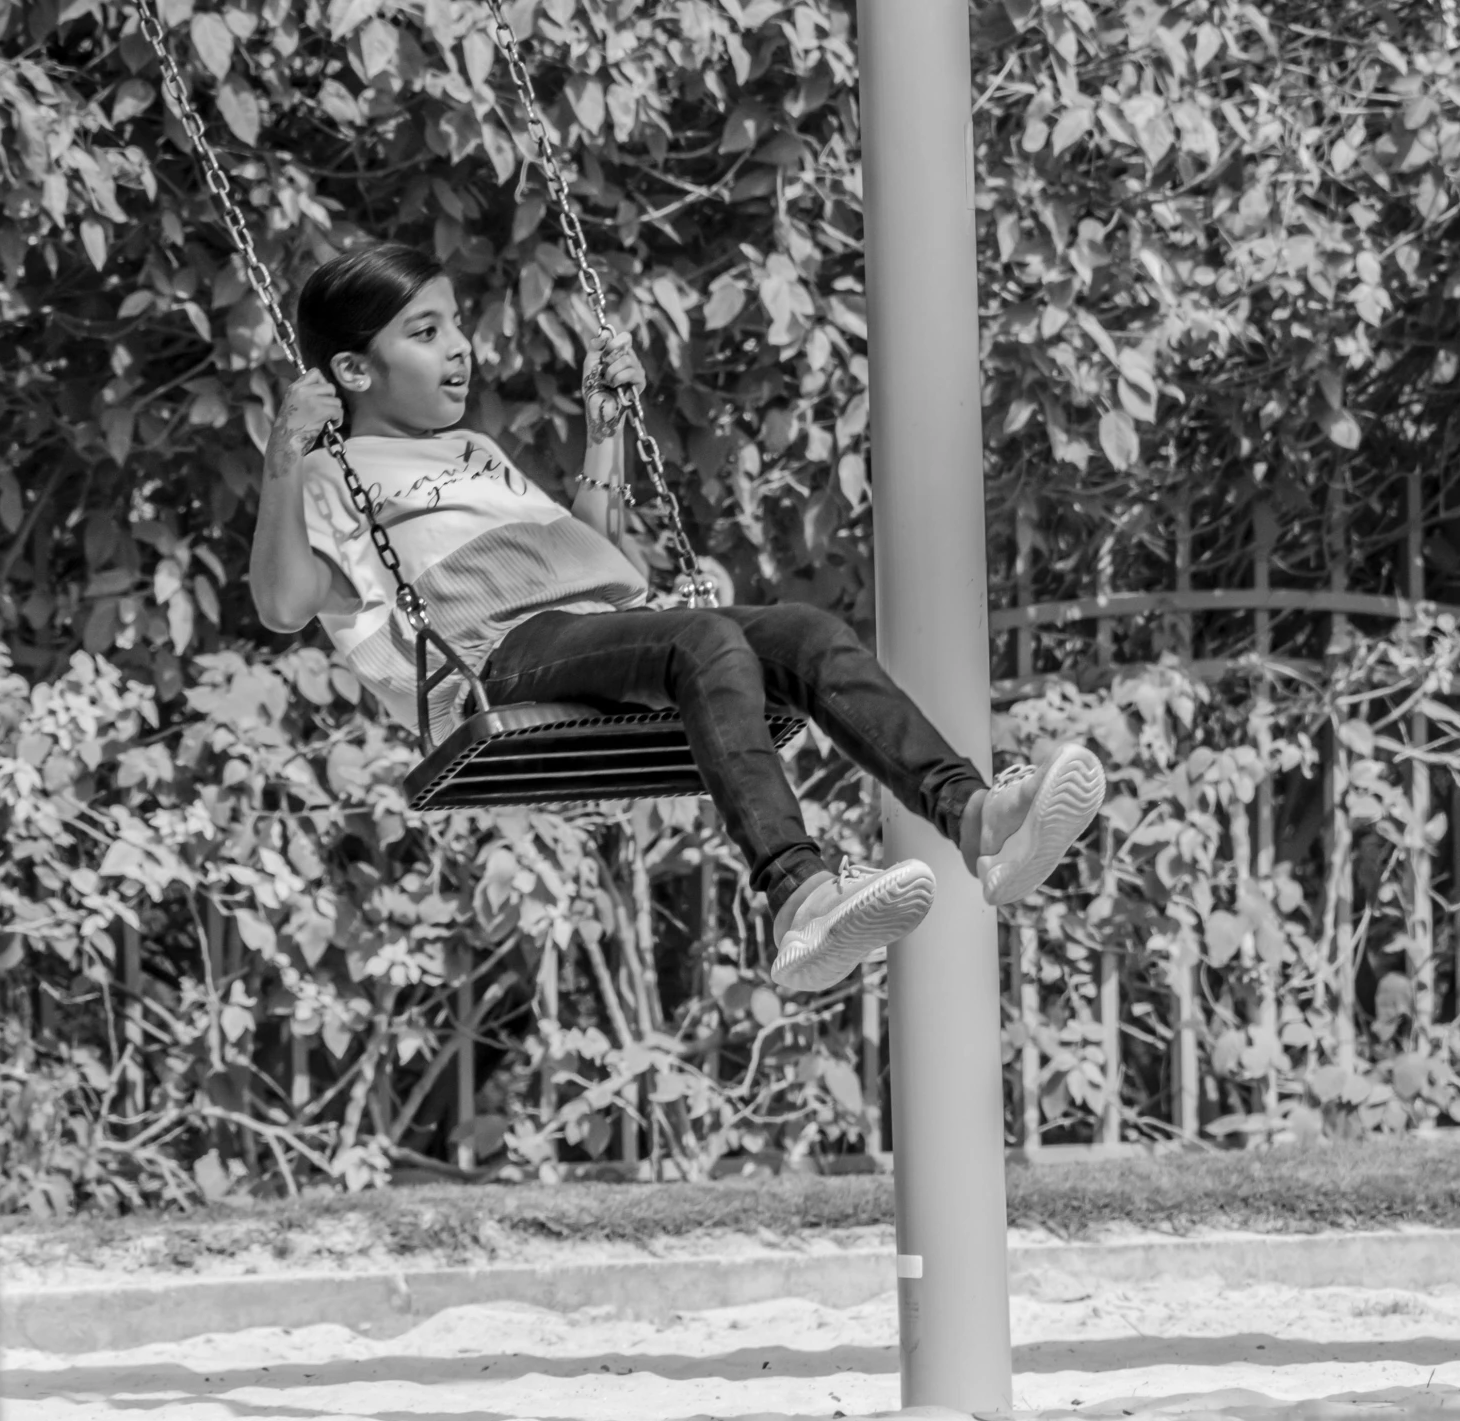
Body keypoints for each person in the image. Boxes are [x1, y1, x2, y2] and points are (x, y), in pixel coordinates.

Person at [250, 240, 1104, 994]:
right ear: (355, 370)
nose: (460, 350)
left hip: (582, 632)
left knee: (804, 632)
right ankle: (799, 895)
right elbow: (284, 605)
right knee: (703, 639)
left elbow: (593, 559)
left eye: (456, 325)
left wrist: (603, 432)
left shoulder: (475, 452)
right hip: (492, 661)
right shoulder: (333, 476)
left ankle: (975, 817)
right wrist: (287, 453)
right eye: (425, 331)